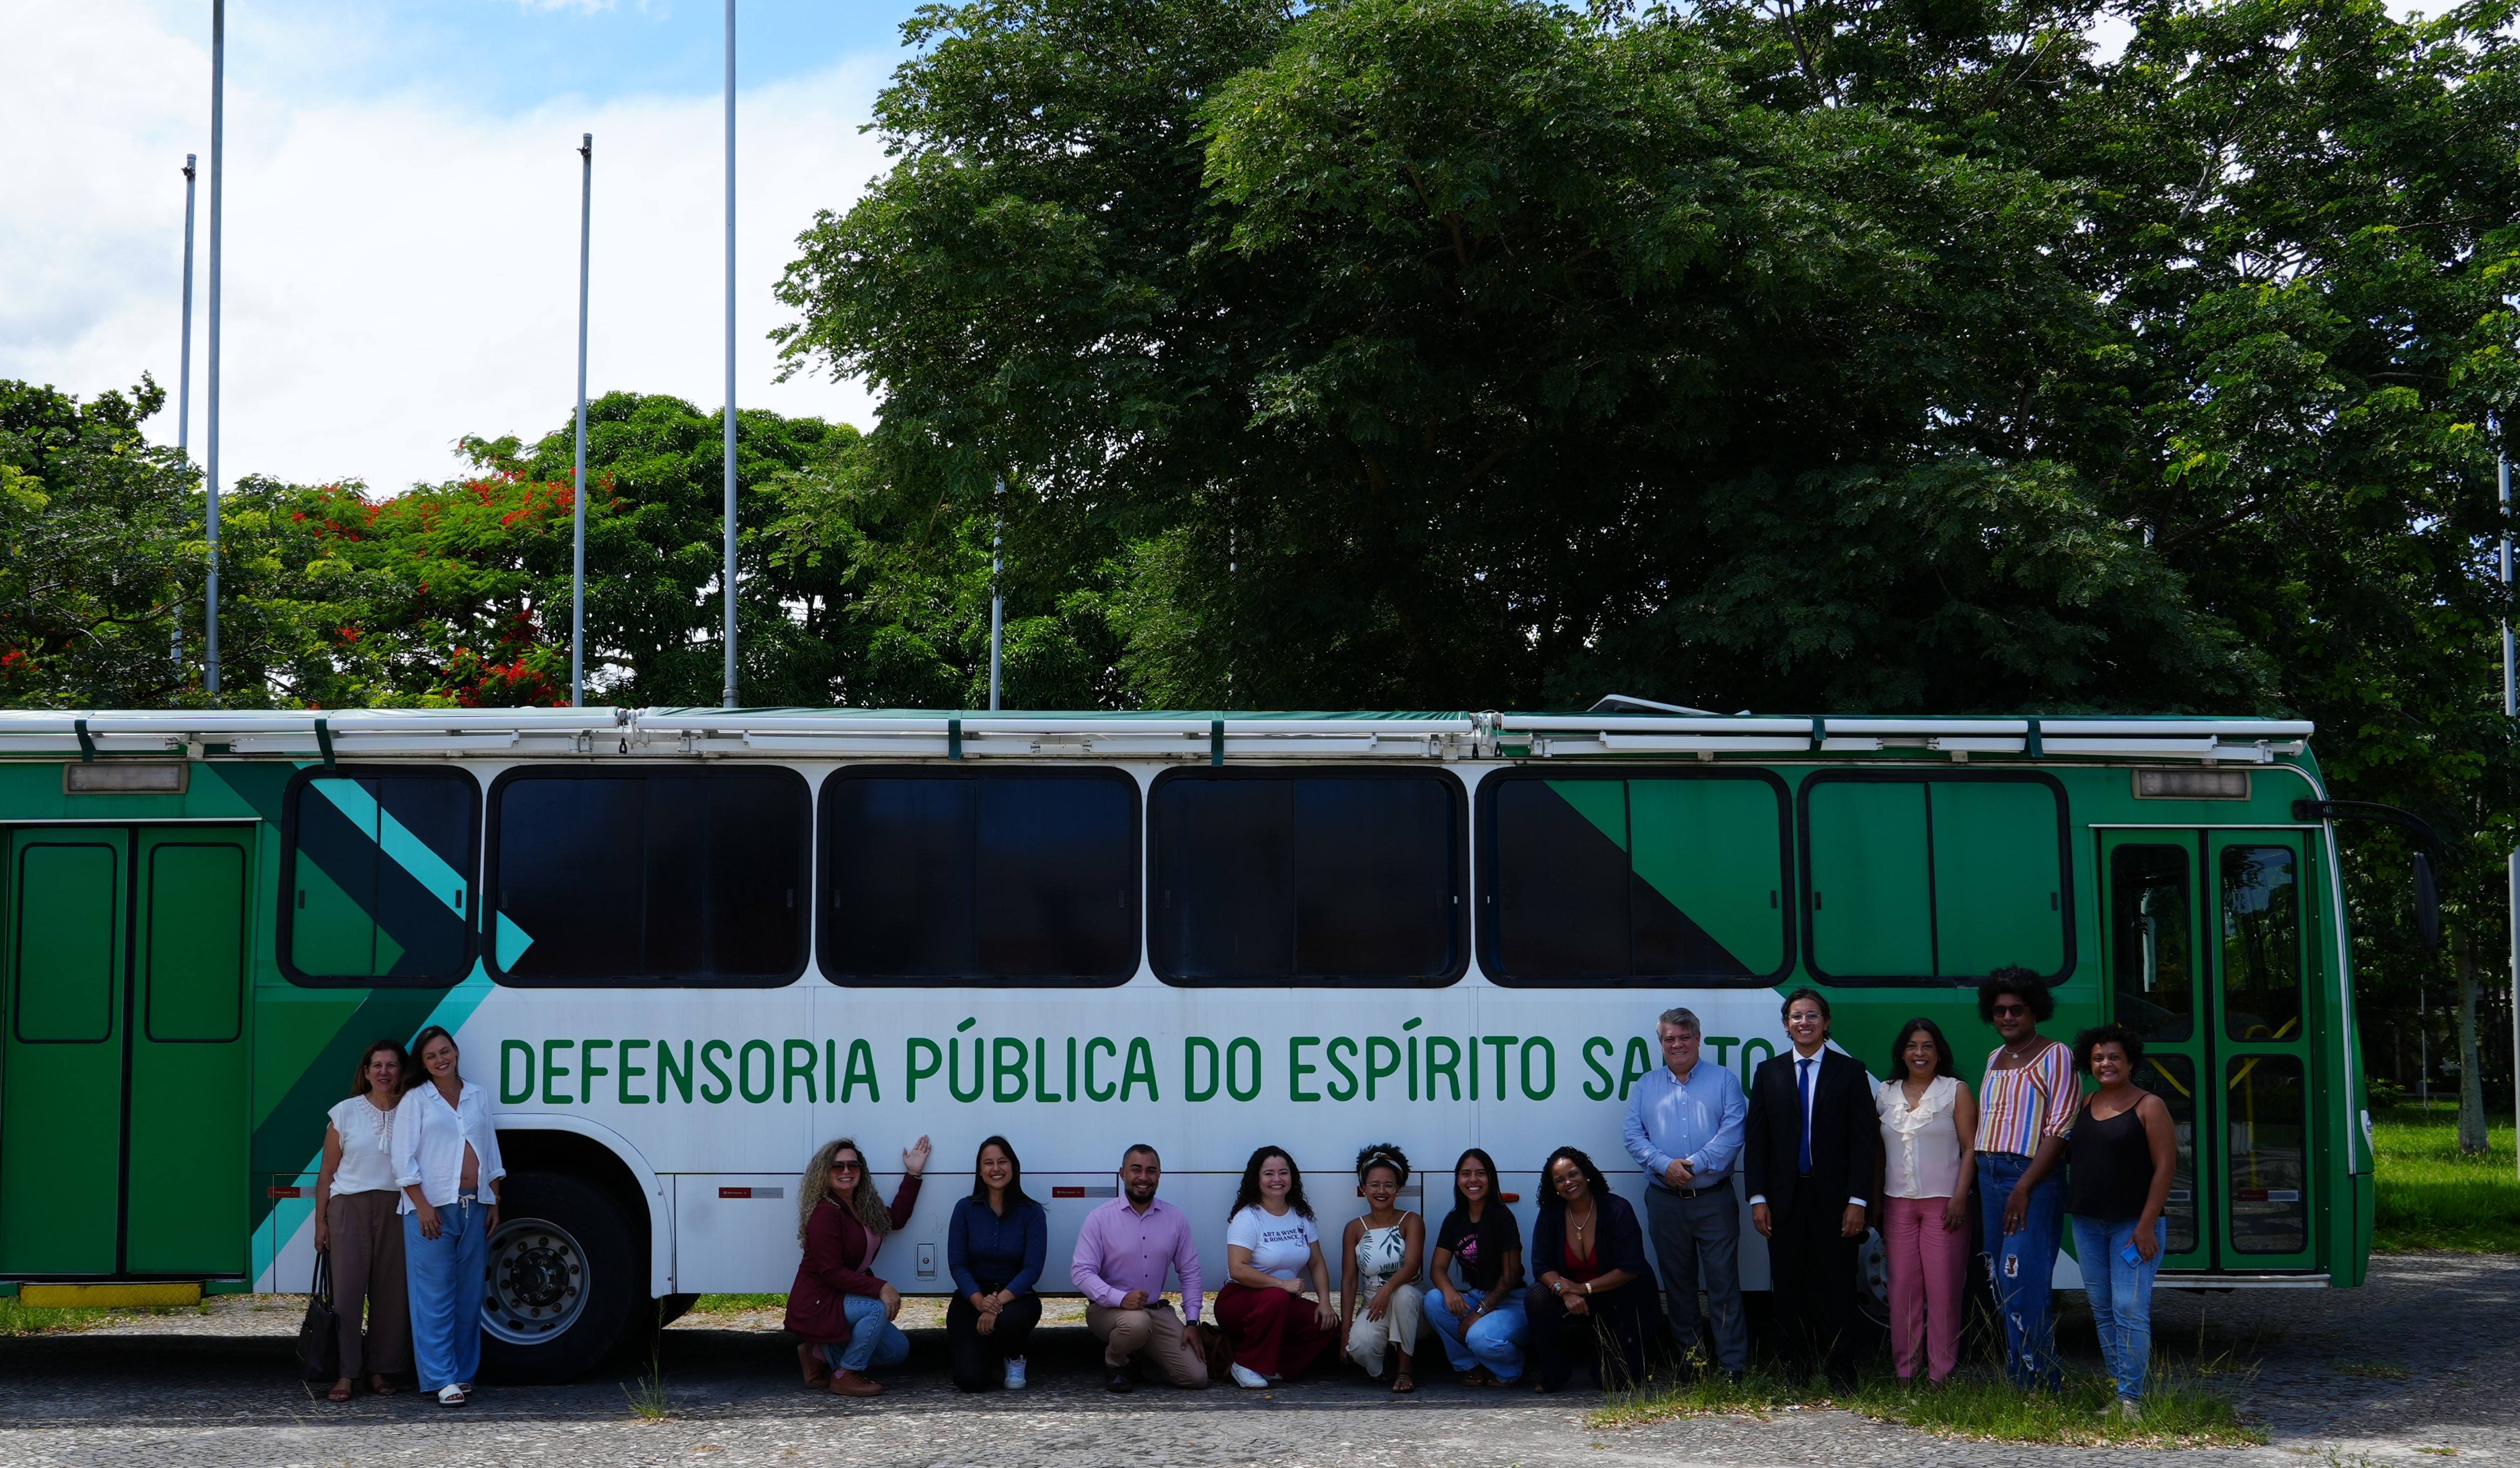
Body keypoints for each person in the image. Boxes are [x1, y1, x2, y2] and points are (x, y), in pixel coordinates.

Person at [1745, 987, 1878, 1391]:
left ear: (1826, 1022)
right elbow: (1757, 1141)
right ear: (1786, 1025)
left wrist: (1858, 1200)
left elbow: (1864, 1142)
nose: (1804, 1022)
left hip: (1835, 1201)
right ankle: (1793, 1368)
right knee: (1787, 1288)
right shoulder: (1768, 1073)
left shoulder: (1850, 1071)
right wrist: (1758, 1198)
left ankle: (1841, 1370)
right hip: (1783, 1200)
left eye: (1812, 1015)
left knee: (1836, 1286)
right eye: (1796, 1016)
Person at [1621, 1005, 1749, 1382]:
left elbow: (1733, 1133)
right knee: (1677, 1287)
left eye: (1683, 1037)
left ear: (1698, 1038)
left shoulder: (1723, 1081)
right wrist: (1664, 1165)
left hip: (1714, 1200)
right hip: (1664, 1201)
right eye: (1669, 1039)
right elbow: (1632, 1135)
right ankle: (1692, 1365)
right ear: (1660, 1044)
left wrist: (1688, 1165)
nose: (1677, 1044)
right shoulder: (1646, 1085)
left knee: (1723, 1285)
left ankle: (1732, 1367)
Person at [2057, 1025, 2177, 1419]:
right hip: (2089, 1225)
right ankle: (2119, 1394)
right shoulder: (2086, 1101)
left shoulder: (2149, 1106)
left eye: (2113, 1057)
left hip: (2133, 1227)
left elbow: (2164, 1169)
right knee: (2103, 1309)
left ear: (2129, 1062)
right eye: (2097, 1058)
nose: (2105, 1063)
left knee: (2129, 1308)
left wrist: (2145, 1226)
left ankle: (2132, 1400)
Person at [392, 1025, 504, 1408]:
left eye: (445, 1051)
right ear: (422, 1064)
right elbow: (402, 1159)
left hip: (475, 1205)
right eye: (431, 1056)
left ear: (456, 1051)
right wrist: (422, 1206)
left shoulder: (477, 1095)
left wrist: (494, 1199)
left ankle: (463, 1374)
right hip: (431, 1210)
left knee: (469, 1295)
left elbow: (490, 1148)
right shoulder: (416, 1100)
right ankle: (440, 1378)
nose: (441, 1060)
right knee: (434, 1297)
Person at [1975, 965, 2075, 1390]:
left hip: (2029, 1178)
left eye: (2017, 1009)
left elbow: (2059, 1128)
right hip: (1988, 1173)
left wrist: (2023, 1187)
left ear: (2034, 1010)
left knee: (2023, 1277)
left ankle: (2043, 1381)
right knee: (2000, 1280)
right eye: (1998, 1010)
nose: (2007, 1017)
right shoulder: (1993, 1058)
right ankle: (2020, 1377)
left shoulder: (2056, 1054)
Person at [783, 1134, 932, 1398]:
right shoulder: (825, 1213)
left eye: (854, 1165)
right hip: (819, 1302)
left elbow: (895, 1219)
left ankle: (818, 1352)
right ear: (824, 1173)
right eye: (837, 1166)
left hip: (844, 1297)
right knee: (875, 1308)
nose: (846, 1171)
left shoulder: (861, 1206)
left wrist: (913, 1173)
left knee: (897, 1351)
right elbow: (830, 1272)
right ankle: (846, 1374)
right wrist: (881, 1287)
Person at [1873, 1017, 1977, 1387]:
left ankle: (1941, 1375)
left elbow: (1969, 1150)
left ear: (1939, 1052)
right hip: (1897, 1205)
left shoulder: (1954, 1091)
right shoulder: (1885, 1093)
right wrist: (1875, 1202)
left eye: (1927, 1046)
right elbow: (1877, 1155)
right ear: (1901, 1053)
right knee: (1901, 1289)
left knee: (1944, 1288)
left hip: (1944, 1206)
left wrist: (1959, 1198)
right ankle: (1905, 1371)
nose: (1919, 1053)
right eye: (1912, 1046)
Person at [314, 1038, 412, 1402]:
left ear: (402, 1072)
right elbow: (326, 1172)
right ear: (366, 1072)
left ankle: (380, 1370)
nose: (384, 1072)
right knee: (348, 1295)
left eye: (391, 1066)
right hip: (348, 1209)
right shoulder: (345, 1112)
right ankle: (345, 1374)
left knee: (391, 1296)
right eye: (377, 1066)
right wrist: (320, 1223)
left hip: (398, 1209)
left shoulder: (413, 1109)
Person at [1071, 1143, 1211, 1393]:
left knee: (1196, 1377)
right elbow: (1081, 1272)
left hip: (1156, 1313)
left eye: (1151, 1171)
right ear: (1122, 1173)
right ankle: (1116, 1361)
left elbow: (1190, 1272)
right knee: (1135, 1323)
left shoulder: (1175, 1218)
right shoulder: (1100, 1218)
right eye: (1136, 1170)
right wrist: (1121, 1298)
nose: (1143, 1178)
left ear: (1159, 1175)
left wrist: (1192, 1322)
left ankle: (1141, 1354)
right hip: (1108, 1310)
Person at [1524, 1146, 1654, 1393]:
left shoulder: (1617, 1209)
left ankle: (1615, 1353)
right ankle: (1555, 1372)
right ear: (1554, 1187)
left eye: (1573, 1174)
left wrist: (1583, 1289)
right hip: (1574, 1297)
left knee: (1615, 1382)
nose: (1568, 1183)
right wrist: (1565, 1291)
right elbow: (1541, 1265)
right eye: (1560, 1180)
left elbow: (1631, 1267)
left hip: (1618, 1299)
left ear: (1587, 1174)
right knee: (1537, 1296)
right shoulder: (1551, 1215)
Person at [1217, 1145, 1341, 1389]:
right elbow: (1237, 1269)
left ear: (1292, 1178)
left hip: (1280, 1302)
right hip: (1238, 1300)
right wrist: (1282, 1285)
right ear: (1257, 1178)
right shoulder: (1248, 1217)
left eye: (1283, 1173)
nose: (1277, 1179)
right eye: (1269, 1174)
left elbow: (1316, 1262)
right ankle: (1245, 1364)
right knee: (1276, 1298)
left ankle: (1275, 1368)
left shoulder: (1302, 1216)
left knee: (1328, 1324)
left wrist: (1325, 1302)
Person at [946, 1135, 1047, 1393]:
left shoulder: (1032, 1212)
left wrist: (995, 1305)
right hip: (972, 1298)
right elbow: (957, 1264)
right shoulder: (965, 1209)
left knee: (1009, 1321)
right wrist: (980, 1302)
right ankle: (988, 1354)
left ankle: (1014, 1355)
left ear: (1013, 1166)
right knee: (970, 1381)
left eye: (1002, 1162)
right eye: (988, 1163)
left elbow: (1032, 1269)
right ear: (980, 1171)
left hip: (1016, 1298)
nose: (996, 1169)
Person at [1424, 1147, 1528, 1386]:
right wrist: (1450, 1292)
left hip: (1511, 1301)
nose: (1473, 1180)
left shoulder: (1502, 1217)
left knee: (1481, 1336)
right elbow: (1437, 1268)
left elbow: (1511, 1275)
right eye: (1466, 1174)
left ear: (1491, 1178)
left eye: (1480, 1173)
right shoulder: (1454, 1219)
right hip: (1476, 1295)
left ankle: (1512, 1369)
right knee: (1432, 1300)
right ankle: (1472, 1365)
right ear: (1458, 1179)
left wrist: (1478, 1313)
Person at [1338, 1144, 1425, 1392]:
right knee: (1359, 1347)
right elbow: (1349, 1281)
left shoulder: (1411, 1221)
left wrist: (1386, 1291)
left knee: (1403, 1294)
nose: (1382, 1191)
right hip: (1373, 1307)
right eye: (1375, 1185)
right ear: (1363, 1189)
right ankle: (1382, 1368)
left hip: (1411, 1305)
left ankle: (1405, 1370)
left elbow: (1412, 1266)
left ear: (1398, 1189)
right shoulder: (1354, 1228)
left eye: (1389, 1185)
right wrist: (1345, 1332)